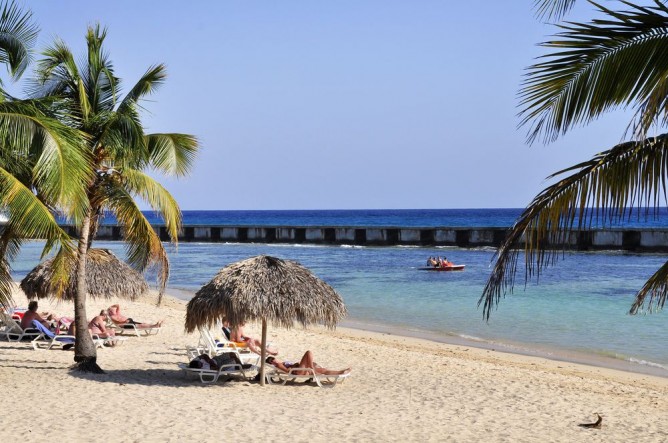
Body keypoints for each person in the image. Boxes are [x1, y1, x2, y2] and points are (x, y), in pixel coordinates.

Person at [266, 351, 350, 376]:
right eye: (271, 361)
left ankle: (340, 372)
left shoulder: (281, 363)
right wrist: (294, 366)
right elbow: (287, 371)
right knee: (308, 353)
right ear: (272, 364)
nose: (273, 361)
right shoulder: (279, 365)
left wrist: (296, 364)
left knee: (324, 370)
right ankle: (311, 368)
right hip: (298, 371)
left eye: (272, 359)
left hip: (300, 369)